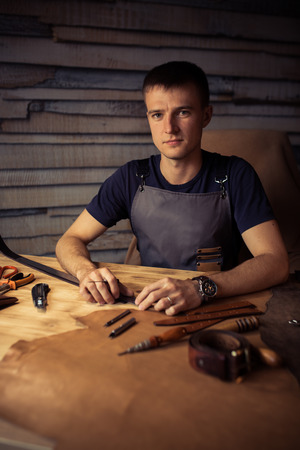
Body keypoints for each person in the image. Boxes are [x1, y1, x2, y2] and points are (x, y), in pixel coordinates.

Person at [56, 61, 289, 315]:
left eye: (183, 112)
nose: (169, 127)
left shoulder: (235, 175)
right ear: (148, 118)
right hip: (147, 307)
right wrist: (86, 272)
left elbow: (275, 263)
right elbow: (69, 241)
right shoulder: (131, 177)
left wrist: (199, 288)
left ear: (206, 116)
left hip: (216, 309)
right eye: (157, 115)